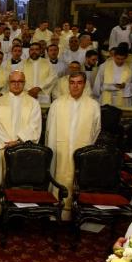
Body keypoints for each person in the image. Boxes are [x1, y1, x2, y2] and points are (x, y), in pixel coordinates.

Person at [0, 71, 43, 213]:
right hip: (1, 149)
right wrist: (7, 144)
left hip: (23, 151)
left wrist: (18, 143)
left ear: (24, 83)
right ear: (8, 83)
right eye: (13, 81)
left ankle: (19, 212)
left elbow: (35, 125)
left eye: (20, 81)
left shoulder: (33, 103)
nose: (16, 84)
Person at [47, 71, 101, 213]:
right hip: (61, 151)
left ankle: (78, 213)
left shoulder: (93, 105)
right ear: (68, 84)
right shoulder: (57, 104)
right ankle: (58, 212)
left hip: (81, 151)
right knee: (60, 178)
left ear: (84, 84)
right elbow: (50, 130)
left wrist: (86, 148)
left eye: (79, 83)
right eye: (72, 83)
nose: (75, 86)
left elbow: (96, 130)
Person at [93, 43, 132, 107]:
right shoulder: (104, 66)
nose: (119, 61)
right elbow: (98, 83)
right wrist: (96, 98)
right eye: (117, 58)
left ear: (126, 57)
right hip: (106, 96)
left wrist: (126, 86)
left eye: (122, 59)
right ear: (114, 56)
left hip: (124, 97)